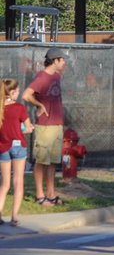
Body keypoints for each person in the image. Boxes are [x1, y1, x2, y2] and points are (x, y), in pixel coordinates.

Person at [23, 47, 68, 206]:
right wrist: (39, 105)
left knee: (53, 162)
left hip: (57, 124)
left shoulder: (56, 76)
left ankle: (51, 194)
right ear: (55, 61)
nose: (64, 62)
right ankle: (39, 196)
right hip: (45, 126)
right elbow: (26, 95)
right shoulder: (42, 77)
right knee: (41, 161)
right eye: (62, 59)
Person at [0, 78, 33, 226]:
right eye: (18, 91)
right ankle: (14, 217)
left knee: (5, 184)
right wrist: (29, 129)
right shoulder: (19, 108)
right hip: (18, 147)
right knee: (18, 182)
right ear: (12, 92)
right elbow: (27, 127)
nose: (19, 93)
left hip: (3, 148)